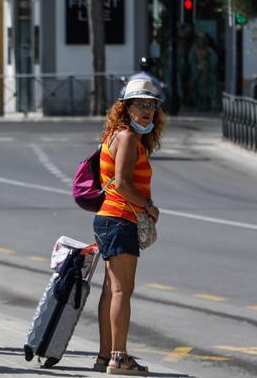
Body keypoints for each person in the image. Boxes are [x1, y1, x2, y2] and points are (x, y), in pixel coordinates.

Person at [93, 79, 164, 375]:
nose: (147, 110)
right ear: (126, 107)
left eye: (151, 105)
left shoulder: (116, 135)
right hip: (120, 217)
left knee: (111, 290)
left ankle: (104, 356)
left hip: (109, 218)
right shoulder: (126, 138)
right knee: (122, 290)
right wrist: (148, 206)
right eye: (140, 104)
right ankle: (119, 358)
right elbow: (121, 183)